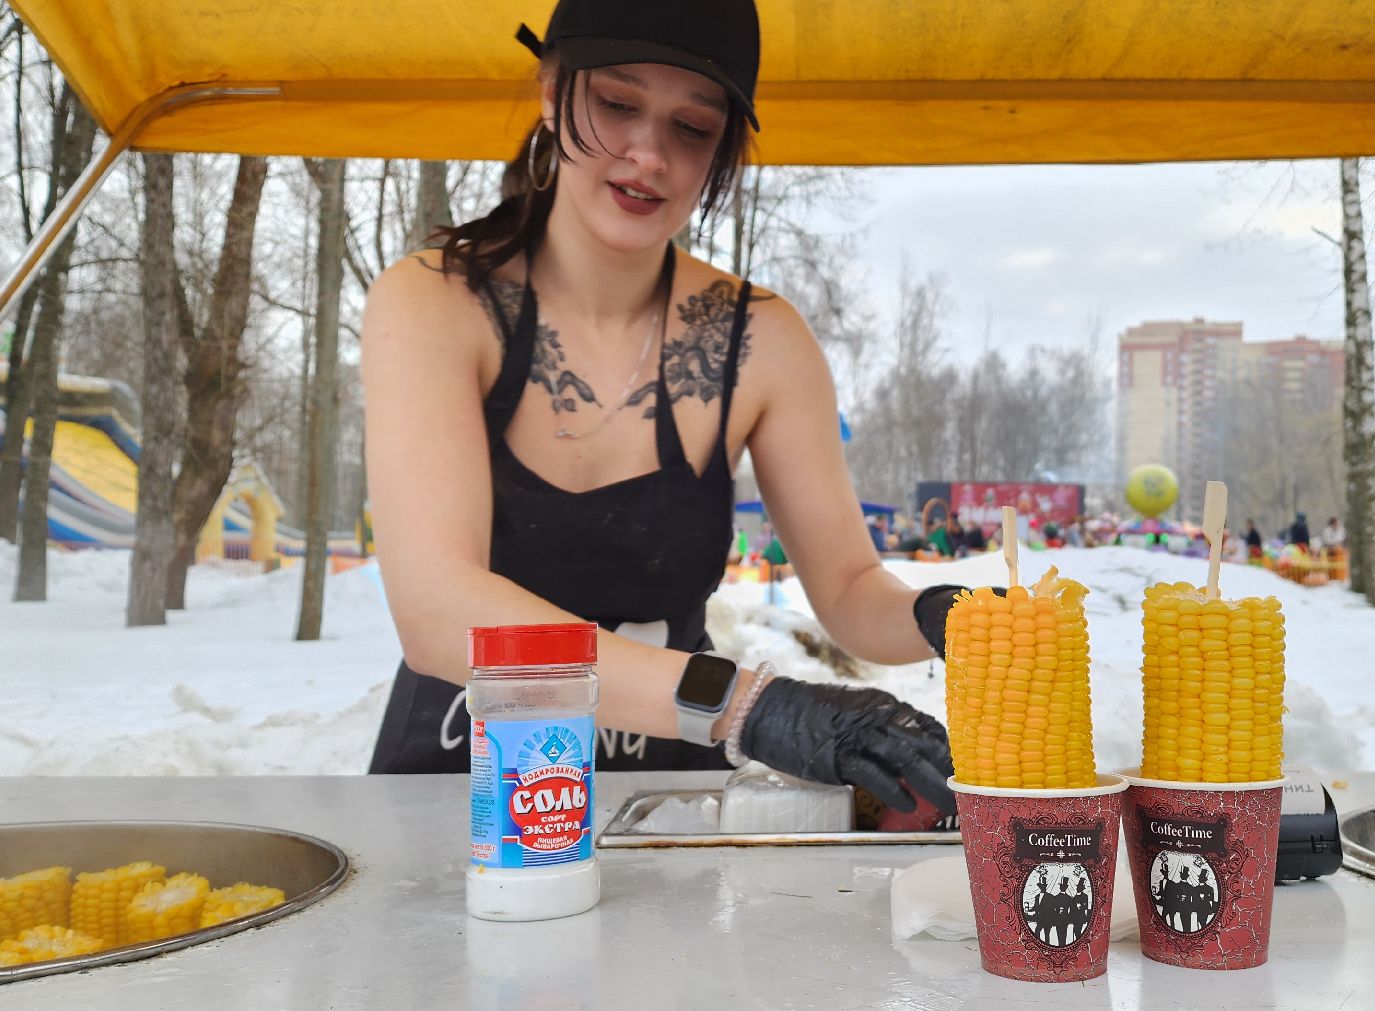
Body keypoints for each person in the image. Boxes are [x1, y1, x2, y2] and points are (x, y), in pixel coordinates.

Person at [359, 0, 961, 813]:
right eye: (617, 104)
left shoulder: (763, 341)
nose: (649, 155)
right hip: (458, 804)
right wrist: (749, 705)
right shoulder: (434, 303)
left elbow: (851, 588)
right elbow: (439, 611)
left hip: (667, 804)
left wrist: (937, 614)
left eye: (693, 128)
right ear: (550, 90)